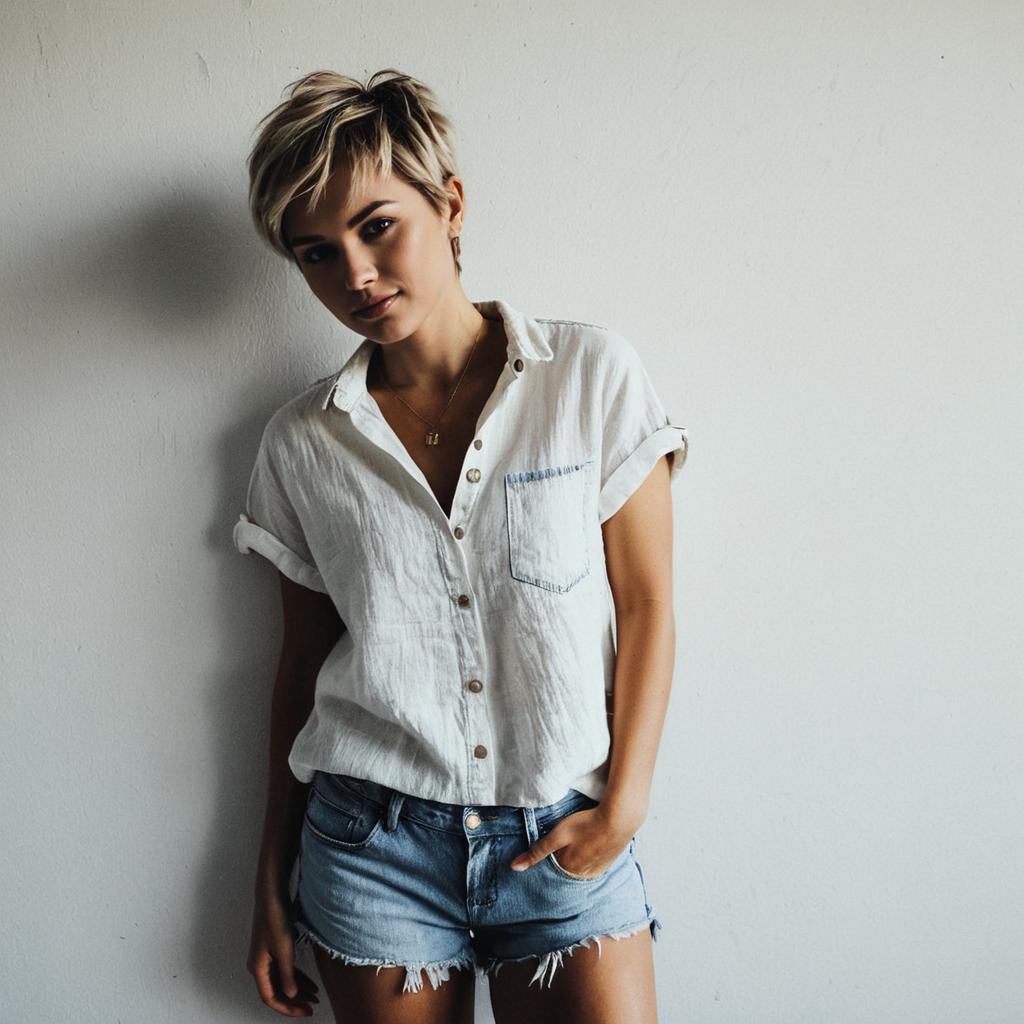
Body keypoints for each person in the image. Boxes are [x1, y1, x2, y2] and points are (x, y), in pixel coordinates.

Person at [233, 68, 689, 1024]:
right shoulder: (302, 442)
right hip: (372, 847)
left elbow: (646, 601)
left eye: (376, 225)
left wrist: (627, 802)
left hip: (561, 832)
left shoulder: (589, 377)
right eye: (315, 253)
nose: (352, 274)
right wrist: (268, 883)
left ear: (450, 204)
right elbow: (302, 665)